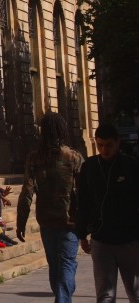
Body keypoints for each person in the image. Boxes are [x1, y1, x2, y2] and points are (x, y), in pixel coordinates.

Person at [17, 111, 85, 303]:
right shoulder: (74, 157)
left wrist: (21, 221)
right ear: (62, 131)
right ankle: (63, 299)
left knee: (56, 266)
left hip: (46, 219)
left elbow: (27, 193)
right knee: (66, 264)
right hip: (69, 220)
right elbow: (83, 192)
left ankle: (62, 299)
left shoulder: (34, 159)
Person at [76, 123, 139, 303]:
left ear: (117, 143)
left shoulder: (130, 166)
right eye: (100, 145)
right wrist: (82, 234)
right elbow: (83, 202)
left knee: (135, 292)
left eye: (109, 145)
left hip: (128, 238)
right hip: (101, 239)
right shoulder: (89, 167)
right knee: (105, 294)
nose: (104, 150)